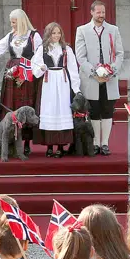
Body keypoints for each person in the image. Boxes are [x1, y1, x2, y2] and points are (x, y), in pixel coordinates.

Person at [73, 0, 124, 156]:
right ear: (92, 12)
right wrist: (94, 73)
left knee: (108, 110)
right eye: (98, 12)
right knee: (94, 111)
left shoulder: (113, 30)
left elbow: (120, 54)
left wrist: (111, 70)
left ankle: (105, 143)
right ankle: (95, 143)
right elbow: (80, 57)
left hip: (109, 78)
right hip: (91, 79)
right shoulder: (82, 30)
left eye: (103, 12)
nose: (101, 15)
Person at [0, 8, 41, 157]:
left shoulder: (34, 36)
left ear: (21, 21)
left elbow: (39, 55)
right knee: (12, 105)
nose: (12, 25)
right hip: (11, 74)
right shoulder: (10, 36)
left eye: (14, 22)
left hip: (27, 73)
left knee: (26, 106)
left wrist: (27, 72)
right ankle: (10, 141)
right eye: (11, 22)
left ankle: (26, 142)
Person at [33, 22, 82, 157]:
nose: (56, 35)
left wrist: (76, 89)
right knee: (49, 110)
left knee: (62, 109)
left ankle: (60, 145)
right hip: (48, 83)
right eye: (53, 33)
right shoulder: (42, 49)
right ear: (48, 34)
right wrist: (41, 68)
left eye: (58, 33)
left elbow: (73, 69)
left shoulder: (66, 49)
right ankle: (49, 146)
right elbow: (34, 64)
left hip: (62, 82)